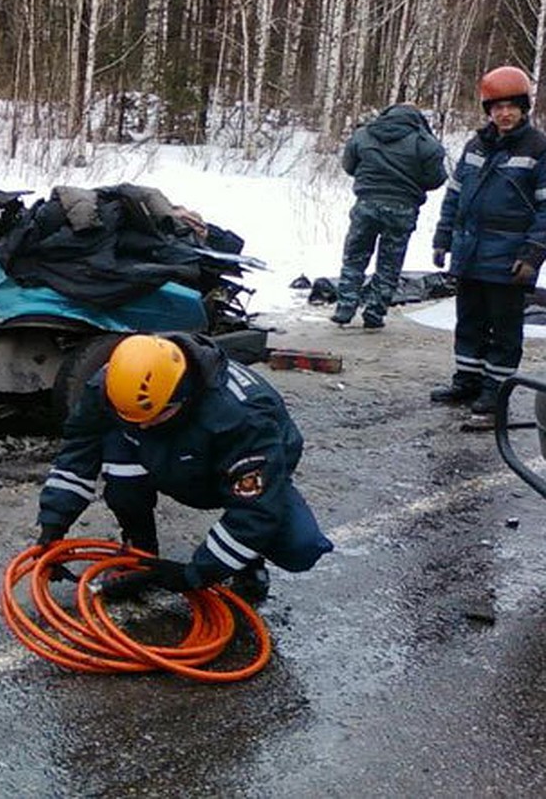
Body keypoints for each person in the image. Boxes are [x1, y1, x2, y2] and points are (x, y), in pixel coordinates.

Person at [34, 332, 333, 602]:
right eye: (134, 419)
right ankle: (140, 550)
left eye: (154, 416)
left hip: (234, 465)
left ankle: (247, 560)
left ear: (182, 395)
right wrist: (53, 525)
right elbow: (78, 451)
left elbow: (255, 510)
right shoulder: (112, 384)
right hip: (175, 452)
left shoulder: (242, 416)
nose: (144, 426)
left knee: (299, 546)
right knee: (118, 450)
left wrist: (195, 574)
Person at [430, 65, 546, 417]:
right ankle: (467, 380)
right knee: (469, 321)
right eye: (497, 107)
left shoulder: (538, 148)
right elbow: (455, 195)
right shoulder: (475, 145)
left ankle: (496, 391)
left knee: (505, 328)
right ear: (488, 110)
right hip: (470, 251)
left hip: (509, 258)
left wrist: (532, 254)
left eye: (512, 106)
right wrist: (442, 237)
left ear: (524, 108)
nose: (505, 113)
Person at [332, 104, 447, 329]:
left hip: (366, 204)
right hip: (402, 209)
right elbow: (436, 179)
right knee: (389, 264)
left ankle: (345, 307)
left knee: (354, 257)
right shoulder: (426, 144)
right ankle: (375, 312)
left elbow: (349, 166)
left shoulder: (363, 135)